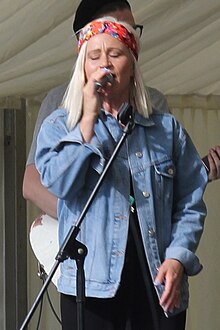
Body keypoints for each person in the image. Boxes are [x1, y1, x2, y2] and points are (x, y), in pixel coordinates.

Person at [35, 16, 207, 330]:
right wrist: (86, 122)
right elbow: (59, 184)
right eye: (94, 56)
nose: (105, 64)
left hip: (157, 280)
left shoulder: (166, 131)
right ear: (83, 68)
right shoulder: (59, 128)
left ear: (132, 64)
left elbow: (190, 202)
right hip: (90, 286)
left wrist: (178, 257)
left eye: (115, 54)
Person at [22, 0, 220, 220]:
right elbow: (32, 184)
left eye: (132, 30)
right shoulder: (60, 102)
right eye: (119, 28)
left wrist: (199, 174)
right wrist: (82, 223)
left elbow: (166, 191)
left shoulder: (155, 104)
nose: (128, 37)